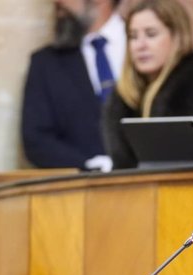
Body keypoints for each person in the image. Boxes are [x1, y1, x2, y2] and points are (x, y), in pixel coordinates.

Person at [101, 0, 193, 169]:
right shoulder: (123, 97)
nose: (140, 45)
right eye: (133, 36)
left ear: (177, 36)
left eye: (151, 34)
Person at [22, 0, 125, 171]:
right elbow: (36, 140)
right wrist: (88, 165)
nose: (57, 2)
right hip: (79, 190)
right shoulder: (46, 63)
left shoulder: (149, 47)